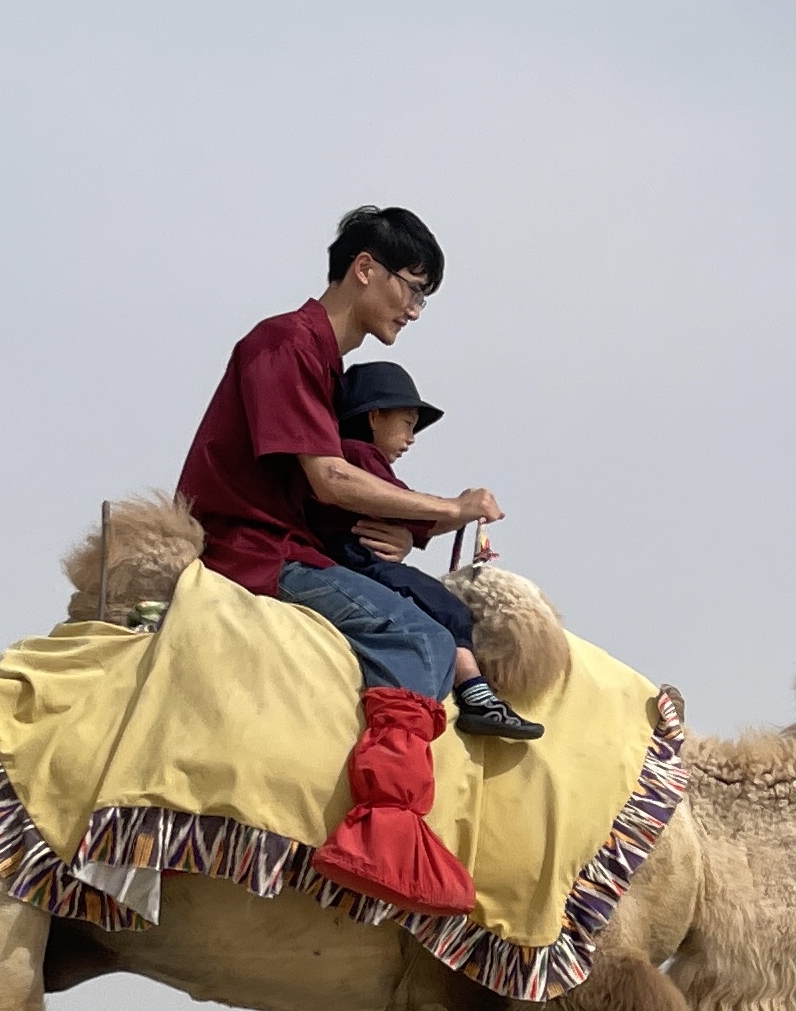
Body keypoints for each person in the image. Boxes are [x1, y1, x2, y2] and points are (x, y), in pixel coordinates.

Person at [171, 206, 510, 917]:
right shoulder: (284, 344)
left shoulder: (324, 365)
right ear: (365, 269)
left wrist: (405, 534)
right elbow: (328, 479)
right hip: (252, 550)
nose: (413, 310)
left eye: (422, 297)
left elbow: (326, 488)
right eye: (412, 288)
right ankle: (385, 830)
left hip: (291, 542)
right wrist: (448, 509)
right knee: (422, 639)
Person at [325, 358, 543, 741]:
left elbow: (408, 519)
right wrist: (458, 508)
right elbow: (400, 505)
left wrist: (443, 520)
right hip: (356, 563)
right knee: (444, 606)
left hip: (353, 560)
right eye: (407, 423)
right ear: (374, 417)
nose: (411, 438)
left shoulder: (352, 457)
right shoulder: (358, 457)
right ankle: (475, 692)